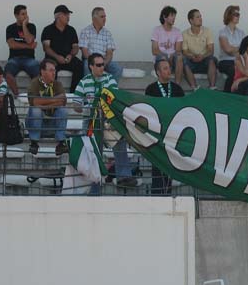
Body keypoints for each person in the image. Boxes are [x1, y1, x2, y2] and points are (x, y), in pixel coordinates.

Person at [74, 53, 136, 188]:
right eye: (98, 65)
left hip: (107, 120)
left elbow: (112, 99)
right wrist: (87, 105)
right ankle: (93, 177)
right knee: (90, 146)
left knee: (119, 141)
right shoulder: (84, 81)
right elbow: (76, 105)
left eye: (103, 64)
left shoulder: (110, 79)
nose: (102, 67)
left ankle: (124, 176)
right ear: (91, 66)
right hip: (91, 120)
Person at [145, 58, 185, 194]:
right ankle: (157, 192)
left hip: (173, 133)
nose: (169, 71)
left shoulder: (177, 89)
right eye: (165, 68)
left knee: (170, 162)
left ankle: (167, 192)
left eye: (169, 67)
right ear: (158, 72)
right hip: (156, 133)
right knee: (157, 161)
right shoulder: (150, 89)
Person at [26, 59, 68, 155]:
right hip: (36, 123)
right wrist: (54, 100)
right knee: (36, 110)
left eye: (54, 70)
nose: (54, 73)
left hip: (51, 123)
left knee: (63, 110)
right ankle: (34, 142)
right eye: (51, 70)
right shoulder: (34, 83)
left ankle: (61, 142)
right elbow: (35, 102)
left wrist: (43, 105)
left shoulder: (57, 84)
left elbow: (63, 101)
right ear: (42, 71)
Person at [41, 5, 83, 92]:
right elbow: (46, 48)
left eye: (68, 14)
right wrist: (57, 57)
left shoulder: (71, 30)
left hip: (68, 58)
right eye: (66, 14)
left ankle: (74, 94)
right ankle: (51, 94)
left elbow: (75, 47)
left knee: (80, 65)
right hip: (53, 58)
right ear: (58, 16)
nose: (68, 17)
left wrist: (71, 55)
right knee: (49, 67)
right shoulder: (48, 29)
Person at [79, 7, 123, 81]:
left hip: (104, 60)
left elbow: (110, 53)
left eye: (105, 16)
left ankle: (109, 90)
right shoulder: (85, 31)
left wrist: (103, 63)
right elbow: (84, 52)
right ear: (94, 19)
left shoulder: (107, 33)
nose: (105, 19)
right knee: (86, 66)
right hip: (90, 60)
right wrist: (95, 63)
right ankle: (89, 90)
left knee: (118, 69)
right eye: (102, 17)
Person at [5, 4, 40, 95]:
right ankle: (17, 96)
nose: (26, 16)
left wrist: (24, 25)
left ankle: (31, 96)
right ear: (16, 16)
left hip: (29, 59)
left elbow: (29, 40)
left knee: (38, 75)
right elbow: (12, 45)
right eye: (23, 14)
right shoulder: (10, 28)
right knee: (8, 75)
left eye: (26, 14)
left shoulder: (31, 26)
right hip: (14, 59)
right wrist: (29, 46)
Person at [182, 9, 217, 90]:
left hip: (205, 60)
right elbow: (185, 52)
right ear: (191, 20)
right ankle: (194, 87)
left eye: (200, 16)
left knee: (212, 59)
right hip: (192, 61)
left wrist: (203, 56)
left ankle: (212, 87)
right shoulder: (184, 34)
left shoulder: (207, 31)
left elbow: (211, 50)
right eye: (198, 17)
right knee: (183, 60)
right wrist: (192, 56)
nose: (201, 19)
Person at [151, 6, 184, 84]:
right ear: (165, 17)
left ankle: (177, 85)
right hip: (161, 58)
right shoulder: (157, 30)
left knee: (179, 57)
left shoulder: (177, 31)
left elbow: (178, 50)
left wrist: (171, 56)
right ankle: (164, 84)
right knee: (162, 57)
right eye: (171, 16)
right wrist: (166, 56)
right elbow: (154, 50)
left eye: (174, 16)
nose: (174, 18)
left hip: (173, 59)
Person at [218, 5, 245, 92]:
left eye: (238, 14)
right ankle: (227, 95)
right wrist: (238, 49)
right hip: (225, 61)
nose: (238, 17)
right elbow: (228, 50)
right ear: (229, 15)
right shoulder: (223, 32)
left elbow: (244, 50)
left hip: (238, 60)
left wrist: (234, 48)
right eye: (236, 14)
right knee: (233, 70)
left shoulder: (241, 32)